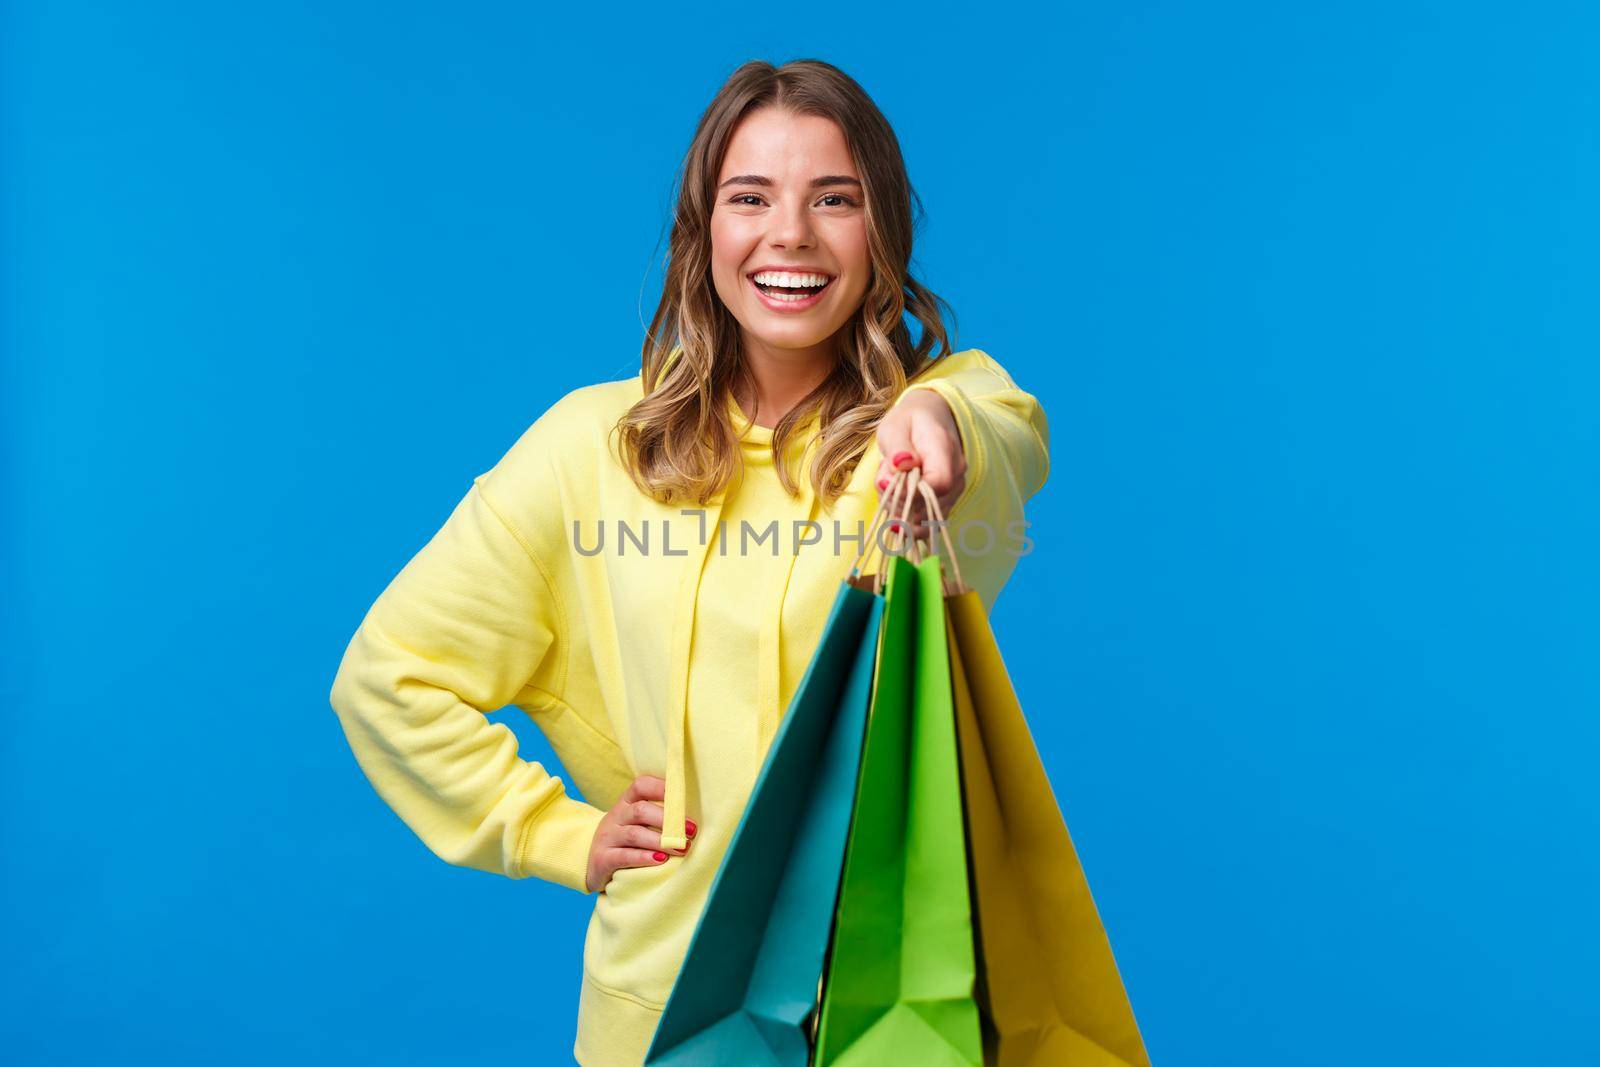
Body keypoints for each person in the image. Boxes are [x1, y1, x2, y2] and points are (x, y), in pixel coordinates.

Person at [328, 57, 1050, 1066]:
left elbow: (1004, 433)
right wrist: (550, 830)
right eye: (749, 197)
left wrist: (938, 416)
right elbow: (388, 675)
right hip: (662, 1010)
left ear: (879, 228)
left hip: (897, 1006)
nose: (789, 234)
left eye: (832, 199)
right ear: (701, 228)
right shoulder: (592, 447)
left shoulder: (917, 445)